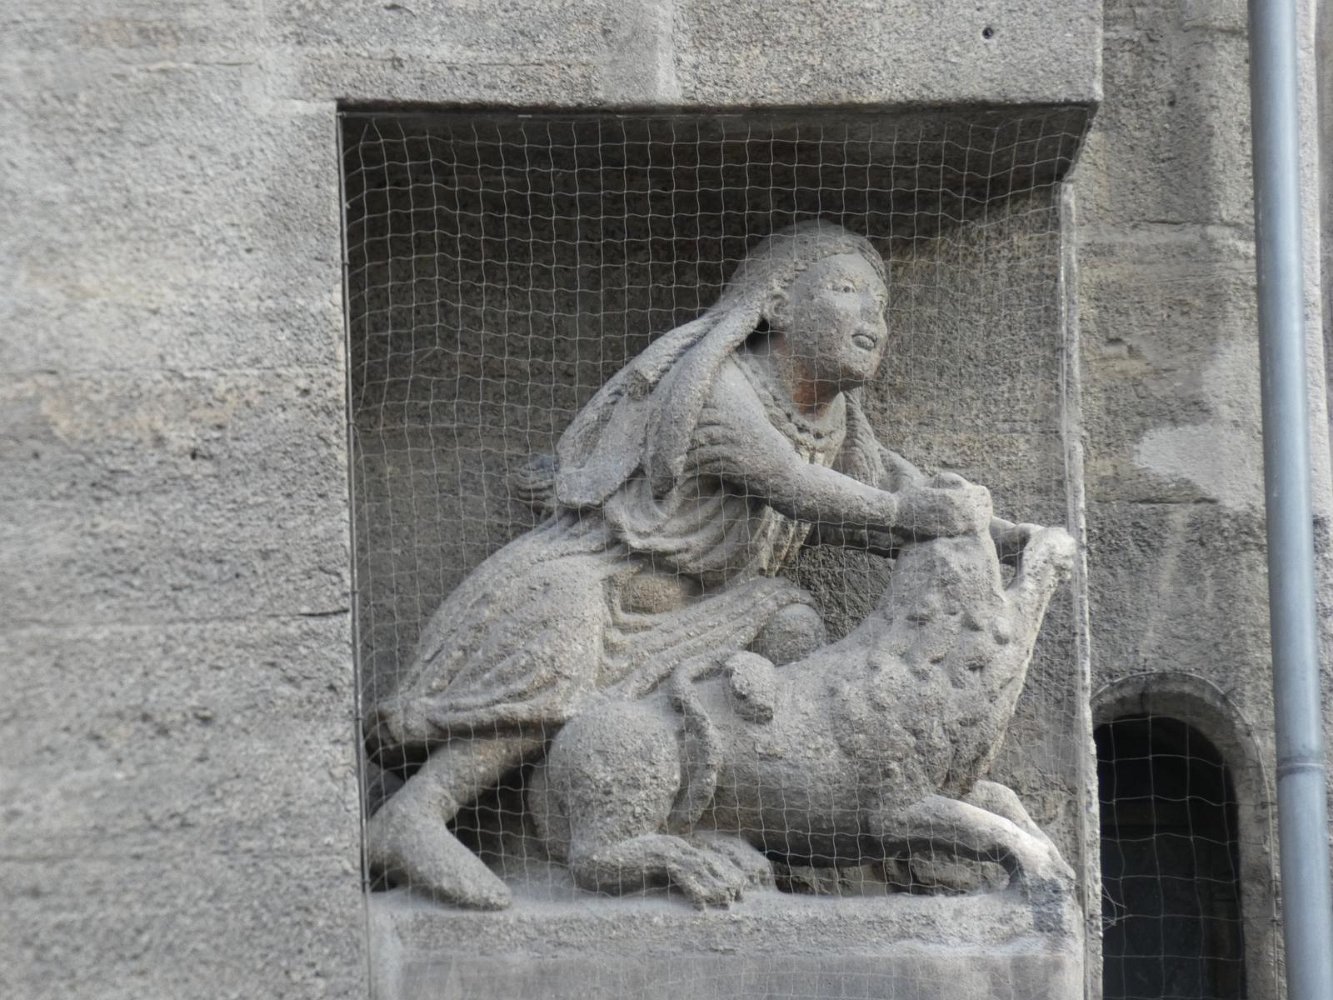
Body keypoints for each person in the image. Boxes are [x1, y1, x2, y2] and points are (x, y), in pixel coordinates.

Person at [365, 220, 1017, 909]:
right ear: (776, 304)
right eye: (846, 290)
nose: (871, 318)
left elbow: (886, 491)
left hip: (703, 615)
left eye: (880, 305)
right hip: (600, 590)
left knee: (790, 623)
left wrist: (994, 536)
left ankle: (726, 820)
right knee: (552, 678)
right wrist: (910, 514)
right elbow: (792, 483)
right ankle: (412, 816)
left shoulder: (837, 420)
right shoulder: (715, 386)